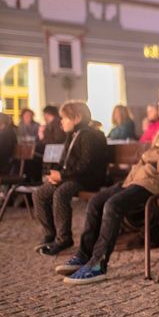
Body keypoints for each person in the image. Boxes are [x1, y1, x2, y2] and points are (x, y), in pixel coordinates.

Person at [56, 86, 159, 284]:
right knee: (97, 201)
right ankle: (84, 254)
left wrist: (157, 163)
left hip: (156, 184)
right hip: (138, 180)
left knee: (113, 205)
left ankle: (98, 263)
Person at [33, 102, 108, 255]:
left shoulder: (89, 135)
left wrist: (62, 176)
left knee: (61, 194)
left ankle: (63, 238)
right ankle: (49, 233)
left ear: (77, 118)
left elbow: (86, 164)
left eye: (65, 118)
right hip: (73, 177)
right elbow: (65, 161)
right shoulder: (73, 134)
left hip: (88, 179)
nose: (61, 121)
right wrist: (56, 174)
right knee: (39, 194)